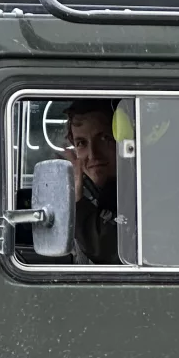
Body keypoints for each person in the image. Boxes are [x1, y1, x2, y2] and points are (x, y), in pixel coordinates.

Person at [60, 98, 119, 264]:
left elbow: (112, 250)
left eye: (104, 138)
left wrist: (78, 201)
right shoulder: (90, 191)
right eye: (81, 143)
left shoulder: (145, 190)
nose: (93, 154)